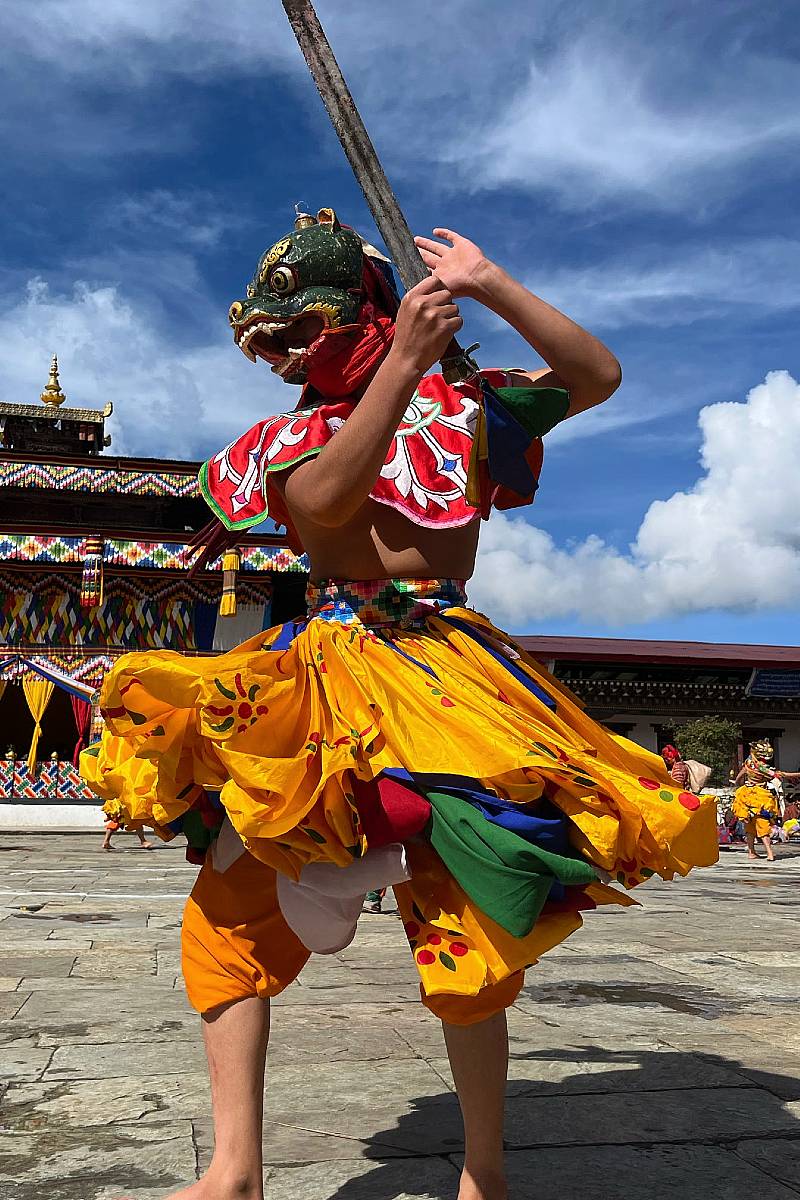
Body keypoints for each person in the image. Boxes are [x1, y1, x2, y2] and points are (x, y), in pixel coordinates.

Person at [81, 210, 718, 1200]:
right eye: (272, 342)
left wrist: (488, 284)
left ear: (367, 314)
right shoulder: (288, 437)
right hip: (320, 672)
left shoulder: (466, 409)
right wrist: (400, 368)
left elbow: (594, 377)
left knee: (459, 919)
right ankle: (234, 1169)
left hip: (442, 671)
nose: (285, 357)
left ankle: (482, 1172)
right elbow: (325, 505)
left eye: (302, 332)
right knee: (225, 913)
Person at [732, 740, 800, 862]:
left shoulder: (749, 762)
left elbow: (740, 775)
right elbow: (780, 775)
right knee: (762, 824)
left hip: (745, 794)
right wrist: (797, 774)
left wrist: (737, 784)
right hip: (759, 796)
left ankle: (751, 852)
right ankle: (769, 853)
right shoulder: (761, 766)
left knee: (750, 825)